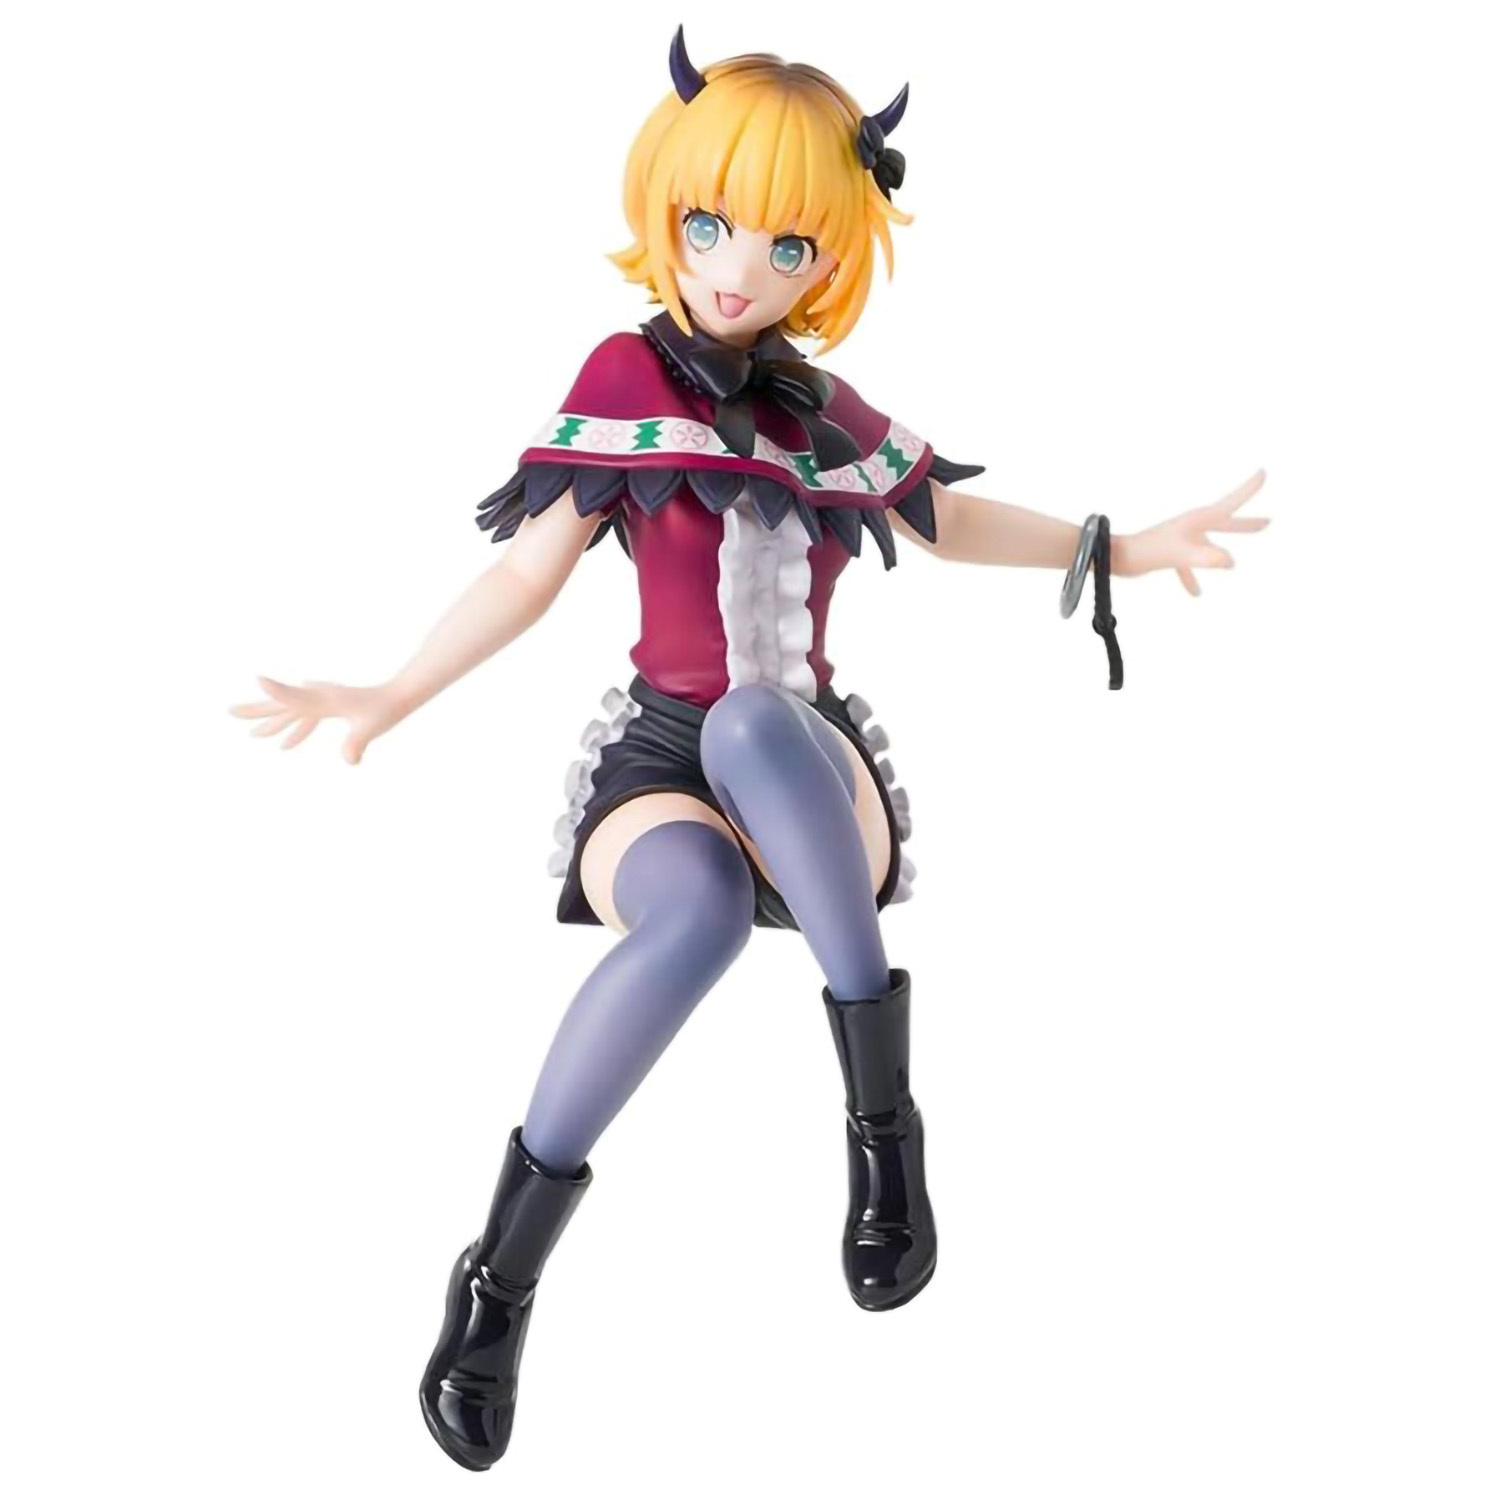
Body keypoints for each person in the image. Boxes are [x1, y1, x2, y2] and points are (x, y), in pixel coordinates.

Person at [235, 29, 1268, 1471]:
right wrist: (390, 691)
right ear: (665, 209)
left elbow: (947, 519)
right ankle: (497, 1286)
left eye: (785, 244)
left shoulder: (819, 414)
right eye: (711, 224)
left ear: (826, 257)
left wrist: (1123, 548)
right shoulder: (623, 375)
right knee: (700, 915)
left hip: (806, 763)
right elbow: (528, 570)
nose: (737, 268)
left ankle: (881, 1128)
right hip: (662, 762)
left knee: (755, 716)